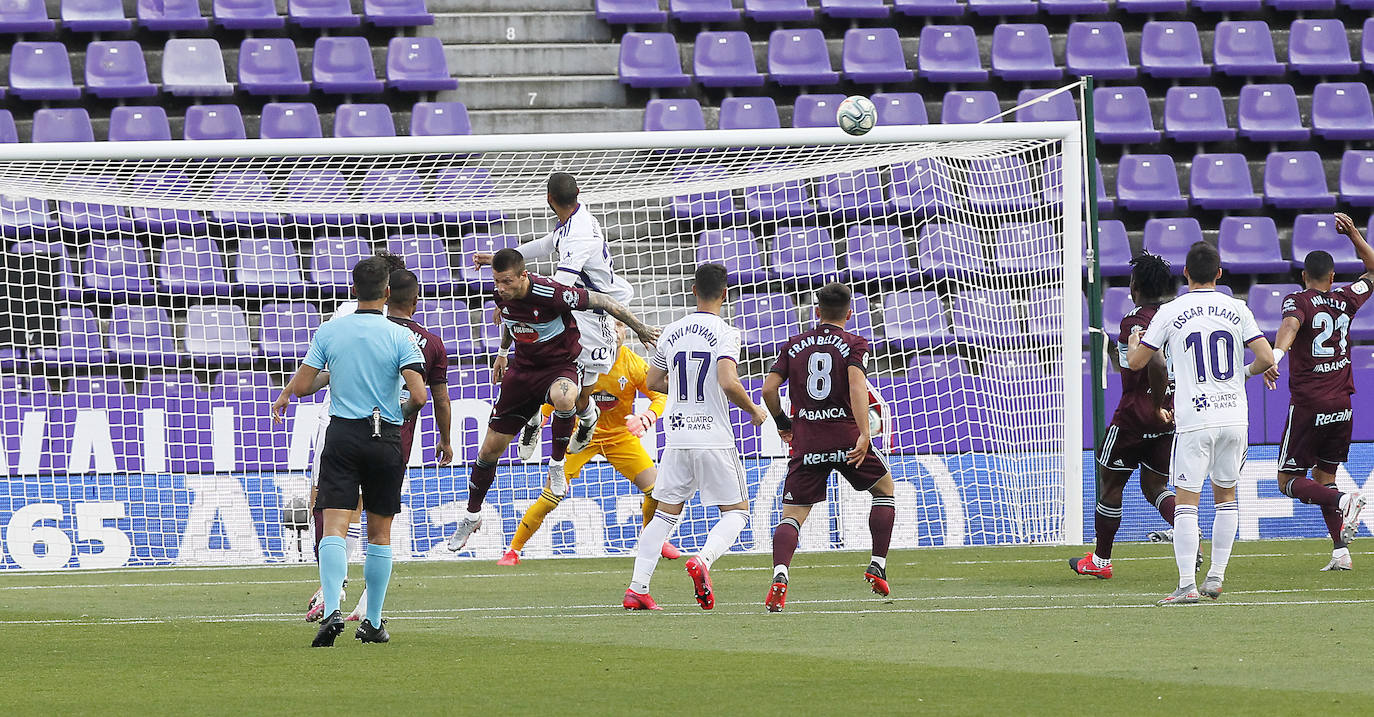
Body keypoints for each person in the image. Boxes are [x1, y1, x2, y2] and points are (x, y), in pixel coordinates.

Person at [446, 248, 658, 552]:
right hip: (522, 371)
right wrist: (503, 353)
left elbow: (605, 301)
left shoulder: (553, 293)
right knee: (489, 450)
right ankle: (471, 515)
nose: (500, 288)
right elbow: (510, 321)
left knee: (564, 395)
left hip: (559, 367)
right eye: (497, 282)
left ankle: (557, 465)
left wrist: (641, 329)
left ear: (523, 275)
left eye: (506, 282)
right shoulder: (501, 295)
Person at [271, 256, 427, 646]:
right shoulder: (400, 336)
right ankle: (372, 622)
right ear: (388, 292)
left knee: (334, 526)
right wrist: (398, 413)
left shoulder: (330, 331)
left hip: (341, 435)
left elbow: (305, 386)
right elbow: (421, 395)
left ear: (353, 289)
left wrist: (305, 384)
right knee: (379, 534)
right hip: (385, 437)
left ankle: (331, 611)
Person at [1128, 241, 1275, 605]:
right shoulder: (1237, 308)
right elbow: (1267, 358)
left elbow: (1136, 363)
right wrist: (1240, 374)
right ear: (1220, 273)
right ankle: (1216, 578)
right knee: (1226, 497)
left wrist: (1134, 341)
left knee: (1186, 504)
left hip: (1196, 418)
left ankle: (1185, 585)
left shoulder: (1170, 311)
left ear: (1186, 274)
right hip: (1234, 417)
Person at [623, 263, 768, 611]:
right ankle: (702, 560)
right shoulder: (726, 332)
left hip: (677, 436)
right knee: (737, 512)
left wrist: (685, 389)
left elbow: (655, 382)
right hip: (713, 437)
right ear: (726, 294)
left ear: (692, 291)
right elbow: (728, 381)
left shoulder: (672, 331)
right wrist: (754, 410)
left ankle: (636, 588)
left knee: (664, 516)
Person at [473, 172, 632, 457]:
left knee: (581, 395)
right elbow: (547, 244)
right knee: (536, 358)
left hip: (593, 316)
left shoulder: (578, 235)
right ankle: (532, 419)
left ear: (548, 198)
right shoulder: (572, 221)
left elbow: (560, 288)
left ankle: (587, 420)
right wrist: (503, 257)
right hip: (573, 309)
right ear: (578, 193)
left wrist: (512, 294)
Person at [759, 282, 896, 613]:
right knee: (885, 491)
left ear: (816, 311)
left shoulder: (794, 345)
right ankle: (877, 563)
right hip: (846, 437)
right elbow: (856, 384)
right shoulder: (853, 343)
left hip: (807, 441)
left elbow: (768, 390)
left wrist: (782, 423)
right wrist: (864, 434)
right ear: (849, 313)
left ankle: (780, 575)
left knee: (792, 516)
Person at [499, 321, 679, 565]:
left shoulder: (632, 363)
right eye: (611, 325)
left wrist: (647, 416)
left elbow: (659, 394)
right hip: (579, 437)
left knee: (656, 490)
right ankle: (513, 550)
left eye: (620, 325)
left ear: (626, 331)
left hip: (619, 438)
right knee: (551, 496)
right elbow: (558, 395)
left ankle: (652, 541)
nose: (616, 330)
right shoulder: (581, 362)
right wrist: (541, 416)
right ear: (601, 331)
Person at [300, 251, 407, 623]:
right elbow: (422, 390)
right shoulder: (398, 326)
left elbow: (317, 373)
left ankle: (336, 588)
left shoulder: (338, 320)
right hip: (386, 424)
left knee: (331, 508)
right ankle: (368, 609)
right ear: (388, 289)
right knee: (376, 522)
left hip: (339, 421)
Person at [1266, 212, 1373, 571]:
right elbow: (1372, 272)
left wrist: (1276, 355)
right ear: (1331, 277)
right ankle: (1341, 552)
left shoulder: (1298, 300)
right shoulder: (1346, 297)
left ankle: (1345, 501)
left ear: (1303, 277)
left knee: (1287, 481)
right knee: (1323, 478)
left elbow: (1290, 325)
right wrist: (1355, 236)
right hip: (1342, 406)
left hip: (1310, 404)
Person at [1070, 253, 1179, 580]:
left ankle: (1101, 562)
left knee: (1110, 484)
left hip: (1135, 416)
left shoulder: (1134, 321)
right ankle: (1190, 536)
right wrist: (1167, 406)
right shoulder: (1175, 317)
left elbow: (1155, 364)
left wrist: (1156, 402)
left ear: (1135, 286)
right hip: (1169, 417)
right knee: (1156, 486)